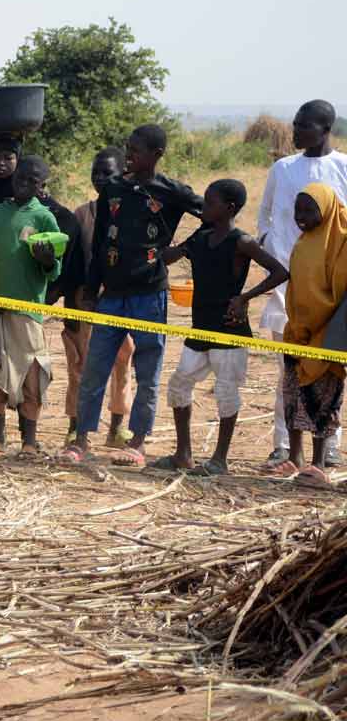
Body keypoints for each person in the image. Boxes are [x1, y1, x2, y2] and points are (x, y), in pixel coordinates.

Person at [61, 124, 203, 467]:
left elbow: (214, 216)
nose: (129, 155)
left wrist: (183, 249)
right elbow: (99, 243)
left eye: (136, 150)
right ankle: (81, 440)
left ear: (156, 154)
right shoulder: (113, 189)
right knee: (94, 368)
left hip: (149, 295)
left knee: (147, 371)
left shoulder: (170, 191)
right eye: (128, 148)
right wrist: (92, 289)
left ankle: (137, 442)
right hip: (111, 294)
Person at [154, 180, 287, 475]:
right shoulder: (201, 237)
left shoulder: (242, 241)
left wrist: (245, 298)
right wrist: (174, 244)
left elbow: (280, 272)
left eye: (210, 203)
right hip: (200, 326)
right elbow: (168, 257)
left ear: (229, 208)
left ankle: (219, 459)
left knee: (226, 391)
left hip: (229, 328)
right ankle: (183, 454)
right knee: (179, 384)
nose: (204, 207)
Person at [256, 100, 347, 469]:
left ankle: (330, 447)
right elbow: (266, 214)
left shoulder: (343, 167)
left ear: (325, 129)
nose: (295, 131)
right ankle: (284, 446)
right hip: (287, 287)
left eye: (303, 125)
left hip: (331, 292)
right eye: (295, 124)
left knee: (330, 371)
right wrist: (269, 246)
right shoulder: (283, 169)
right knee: (288, 370)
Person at [0, 156, 60, 457]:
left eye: (32, 181)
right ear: (13, 177)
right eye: (20, 177)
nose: (24, 184)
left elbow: (54, 270)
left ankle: (29, 442)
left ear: (42, 186)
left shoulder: (44, 218)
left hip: (27, 310)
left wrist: (48, 261)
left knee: (31, 374)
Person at [276, 184, 347, 483]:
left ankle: (318, 464)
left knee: (322, 398)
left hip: (327, 332)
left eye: (309, 210)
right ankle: (295, 457)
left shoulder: (341, 242)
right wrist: (298, 324)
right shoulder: (304, 242)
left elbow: (336, 293)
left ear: (327, 210)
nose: (301, 217)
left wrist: (314, 322)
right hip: (298, 330)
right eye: (297, 210)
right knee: (293, 394)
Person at [66, 149, 135, 447]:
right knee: (80, 364)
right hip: (85, 300)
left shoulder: (133, 212)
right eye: (96, 172)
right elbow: (73, 262)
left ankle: (117, 427)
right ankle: (75, 426)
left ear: (124, 174)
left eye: (108, 173)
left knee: (122, 361)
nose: (100, 178)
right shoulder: (83, 214)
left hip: (120, 299)